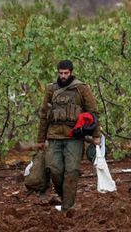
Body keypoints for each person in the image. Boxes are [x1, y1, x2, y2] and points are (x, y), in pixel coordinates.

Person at [36, 60, 100, 212]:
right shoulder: (51, 89)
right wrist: (40, 139)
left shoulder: (81, 89)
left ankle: (67, 207)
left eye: (66, 73)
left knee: (71, 171)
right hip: (54, 136)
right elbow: (44, 115)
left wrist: (96, 135)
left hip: (74, 137)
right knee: (54, 170)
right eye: (61, 73)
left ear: (71, 72)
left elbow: (93, 112)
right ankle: (64, 196)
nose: (63, 76)